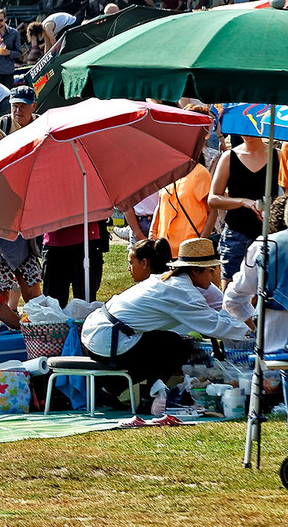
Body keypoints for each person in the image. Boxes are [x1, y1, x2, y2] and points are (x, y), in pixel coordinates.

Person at [82, 238, 248, 393]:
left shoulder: (168, 281)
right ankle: (151, 397)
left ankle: (111, 390)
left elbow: (211, 319)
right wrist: (252, 332)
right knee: (177, 346)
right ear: (195, 271)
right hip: (106, 340)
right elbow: (215, 326)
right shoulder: (182, 292)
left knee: (166, 341)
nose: (213, 276)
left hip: (97, 334)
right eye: (211, 270)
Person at [222, 196, 288, 353]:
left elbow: (233, 299)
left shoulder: (264, 246)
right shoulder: (263, 246)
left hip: (273, 356)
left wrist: (256, 325)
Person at [209, 134, 269, 282]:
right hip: (236, 233)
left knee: (266, 291)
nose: (246, 132)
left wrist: (272, 210)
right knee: (231, 291)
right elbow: (213, 199)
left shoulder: (278, 157)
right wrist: (242, 202)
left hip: (269, 234)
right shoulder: (229, 157)